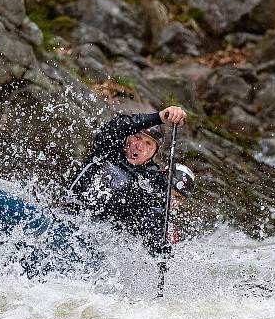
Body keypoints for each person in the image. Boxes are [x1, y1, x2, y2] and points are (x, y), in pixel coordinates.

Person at [67, 106, 187, 254]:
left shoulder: (150, 180)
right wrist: (159, 117)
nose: (139, 146)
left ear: (154, 152)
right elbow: (116, 125)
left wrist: (160, 248)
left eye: (148, 144)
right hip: (66, 221)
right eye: (136, 137)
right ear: (127, 137)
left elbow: (153, 219)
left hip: (96, 246)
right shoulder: (107, 149)